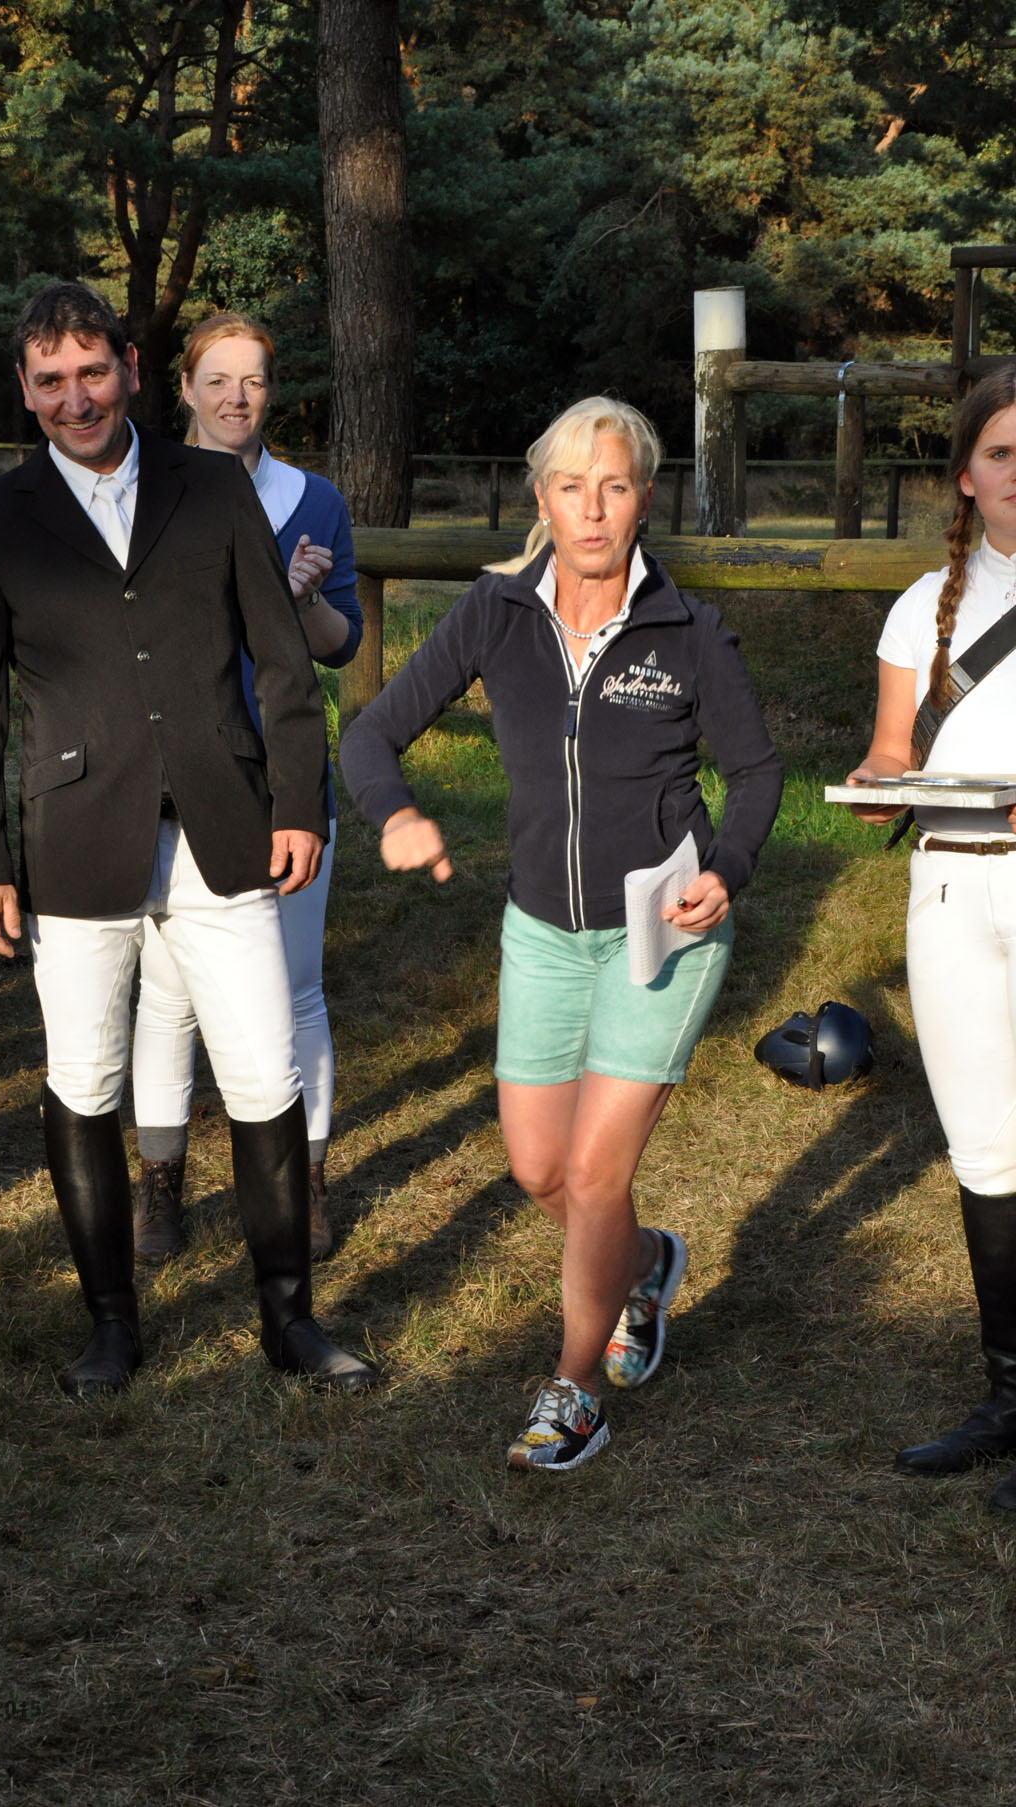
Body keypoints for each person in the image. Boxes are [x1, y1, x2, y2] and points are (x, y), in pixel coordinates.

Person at [0, 281, 375, 1399]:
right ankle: (110, 1325)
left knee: (265, 1070)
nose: (76, 398)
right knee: (85, 1078)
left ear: (131, 369)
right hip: (77, 841)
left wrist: (296, 802)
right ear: (25, 390)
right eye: (51, 381)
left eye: (93, 371)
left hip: (226, 829)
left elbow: (284, 662)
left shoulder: (213, 487)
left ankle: (289, 1319)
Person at [340, 396, 782, 1471]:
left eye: (614, 486)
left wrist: (723, 870)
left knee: (591, 1174)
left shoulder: (686, 630)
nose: (592, 509)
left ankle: (574, 1387)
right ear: (541, 497)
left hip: (660, 933)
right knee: (540, 1169)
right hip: (540, 929)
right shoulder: (495, 613)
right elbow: (371, 735)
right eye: (572, 487)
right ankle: (649, 1262)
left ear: (644, 500)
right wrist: (395, 815)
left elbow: (758, 772)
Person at [130, 312, 362, 1266]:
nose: (236, 397)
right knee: (167, 994)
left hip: (283, 780)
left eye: (254, 381)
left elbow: (339, 644)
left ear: (273, 392)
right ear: (184, 388)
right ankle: (159, 1184)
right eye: (217, 379)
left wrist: (298, 602)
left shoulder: (314, 500)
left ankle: (305, 1182)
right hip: (173, 780)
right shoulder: (142, 492)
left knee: (296, 987)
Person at [846, 367, 1016, 1511]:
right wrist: (873, 784)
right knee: (986, 1148)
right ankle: (1008, 1397)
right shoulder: (923, 606)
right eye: (1001, 453)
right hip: (949, 889)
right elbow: (892, 750)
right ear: (964, 475)